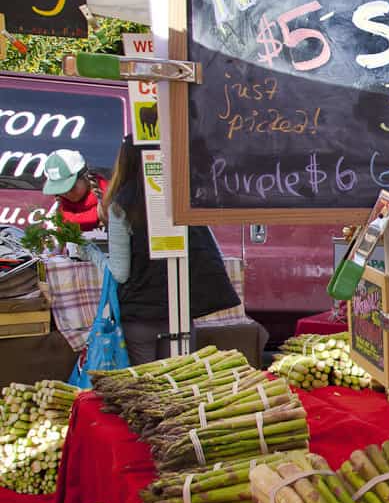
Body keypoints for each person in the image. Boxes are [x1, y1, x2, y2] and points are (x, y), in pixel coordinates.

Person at [81, 138, 241, 364]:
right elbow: (210, 250)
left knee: (145, 389)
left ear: (124, 163)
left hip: (139, 318)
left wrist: (90, 252)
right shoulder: (183, 200)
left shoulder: (121, 206)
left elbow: (119, 273)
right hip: (180, 313)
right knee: (179, 387)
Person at [41, 150, 109, 233]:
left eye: (71, 187)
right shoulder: (56, 209)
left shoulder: (111, 201)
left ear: (85, 176)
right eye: (60, 189)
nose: (66, 194)